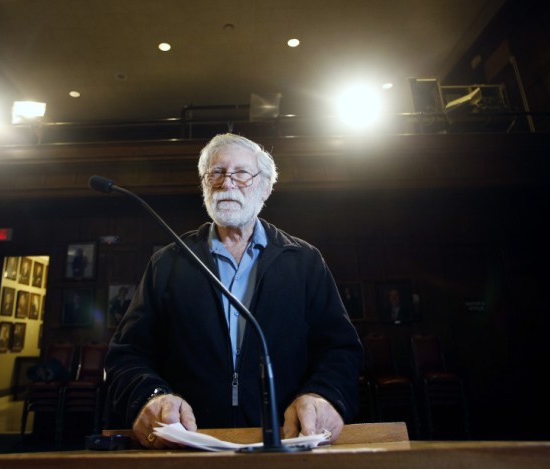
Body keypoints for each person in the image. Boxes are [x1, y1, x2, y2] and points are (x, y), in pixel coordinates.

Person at [105, 133, 363, 448]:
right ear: (204, 185)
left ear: (266, 187)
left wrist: (325, 395)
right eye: (216, 173)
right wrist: (151, 397)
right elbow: (127, 354)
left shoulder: (305, 261)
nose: (227, 183)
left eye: (241, 173)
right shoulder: (168, 263)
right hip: (189, 445)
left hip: (287, 443)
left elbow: (340, 350)